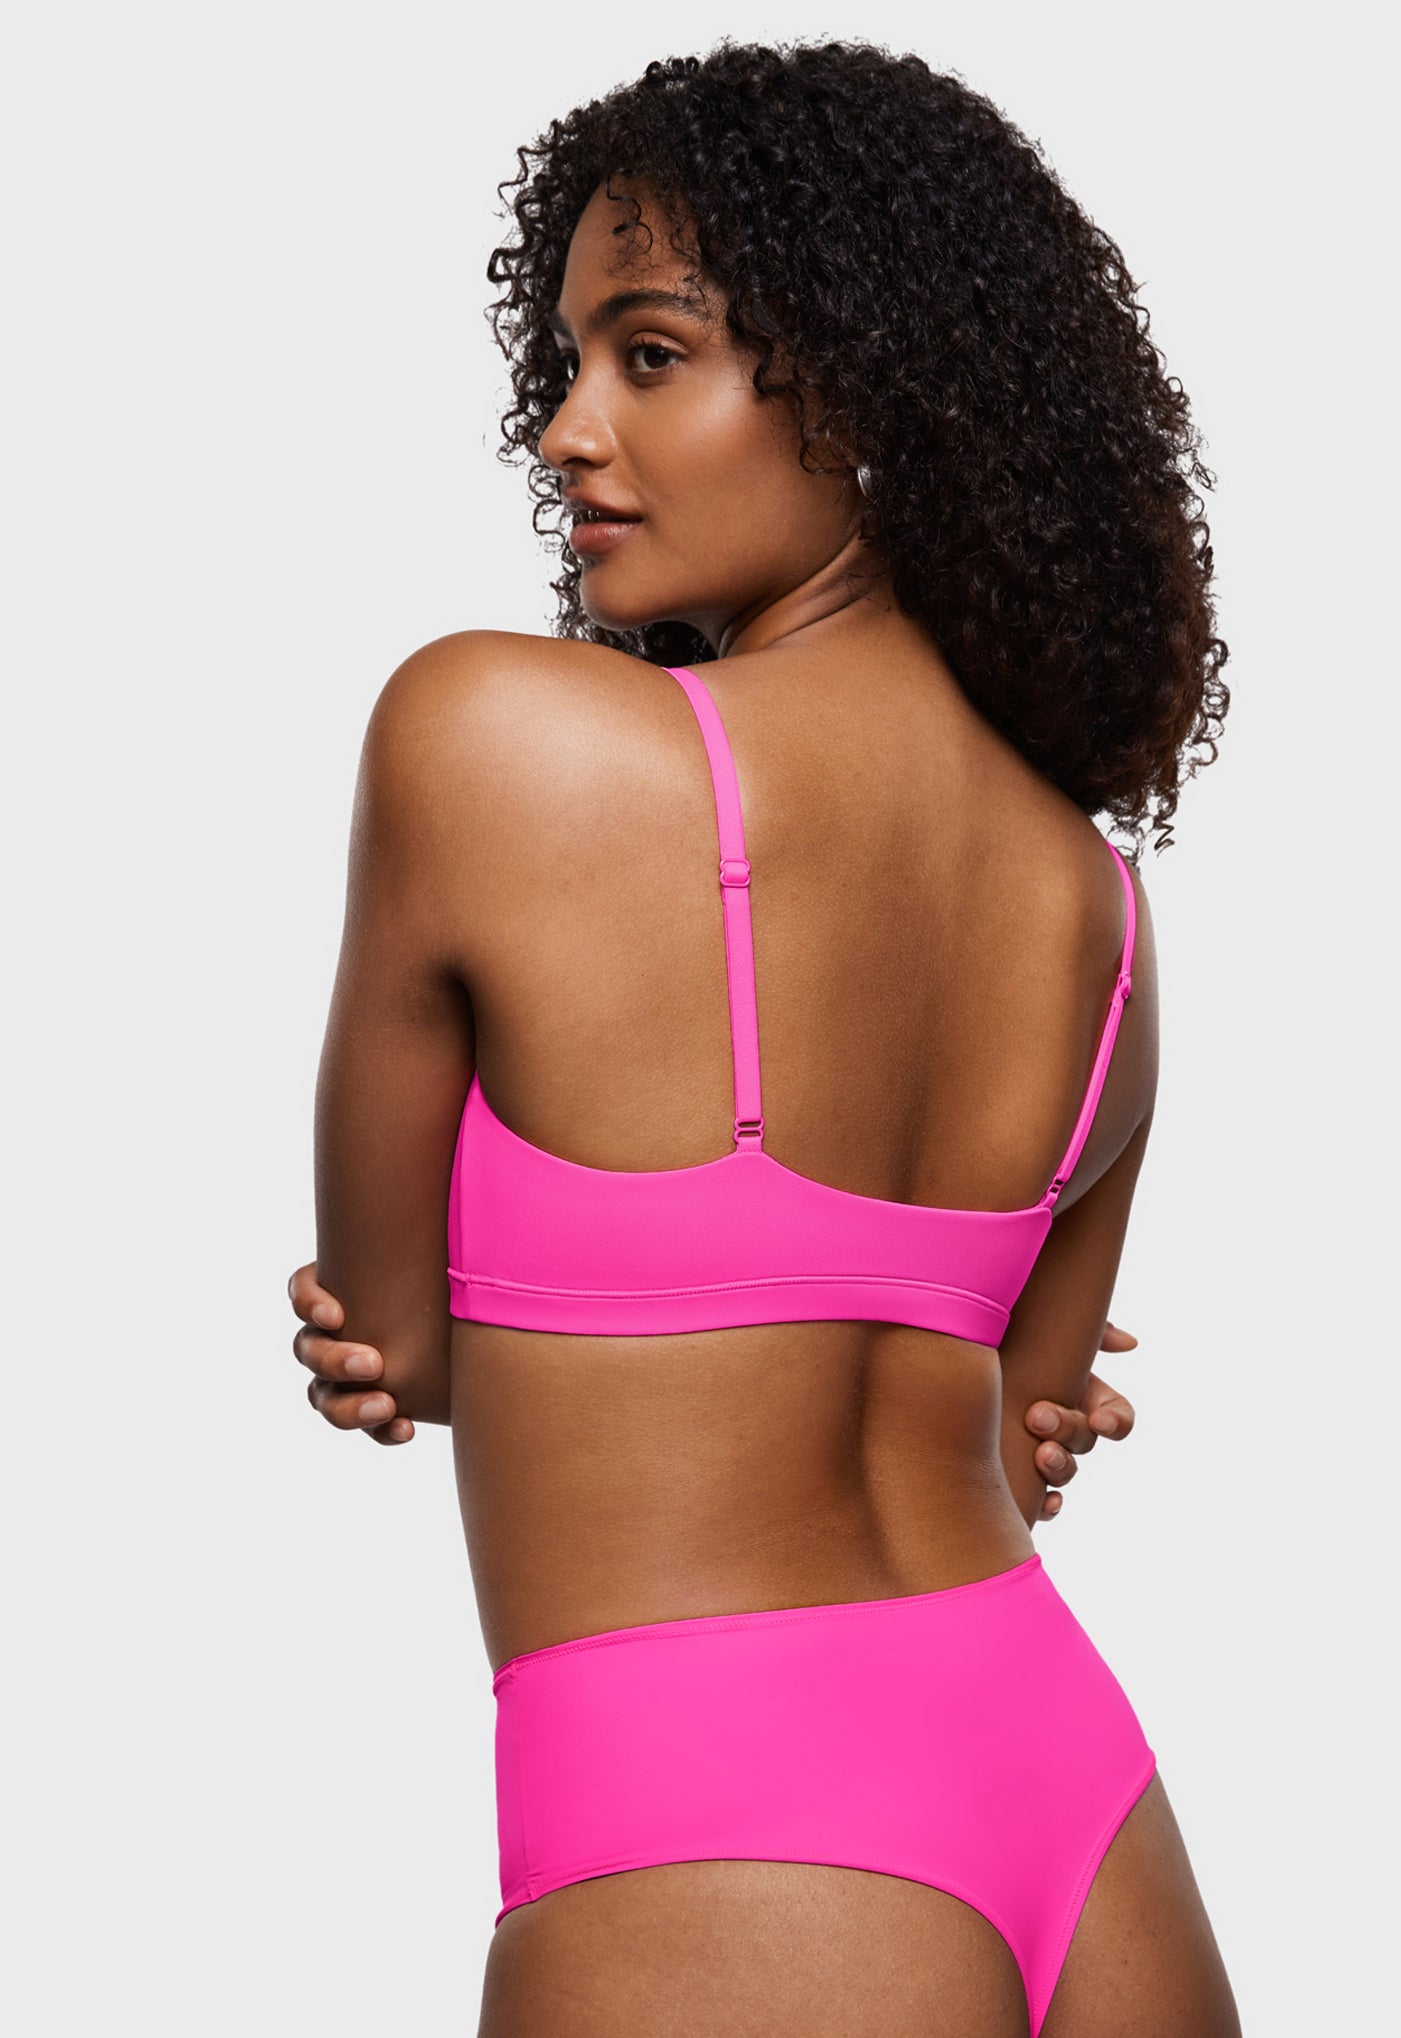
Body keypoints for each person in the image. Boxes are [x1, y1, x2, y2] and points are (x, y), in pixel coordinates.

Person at [305, 41, 1236, 2038]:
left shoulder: (494, 742)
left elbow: (400, 1343)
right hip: (1084, 1811)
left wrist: (406, 1331)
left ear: (875, 390)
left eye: (650, 357)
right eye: (566, 361)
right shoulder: (1096, 913)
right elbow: (1020, 1435)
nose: (566, 431)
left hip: (727, 1834)